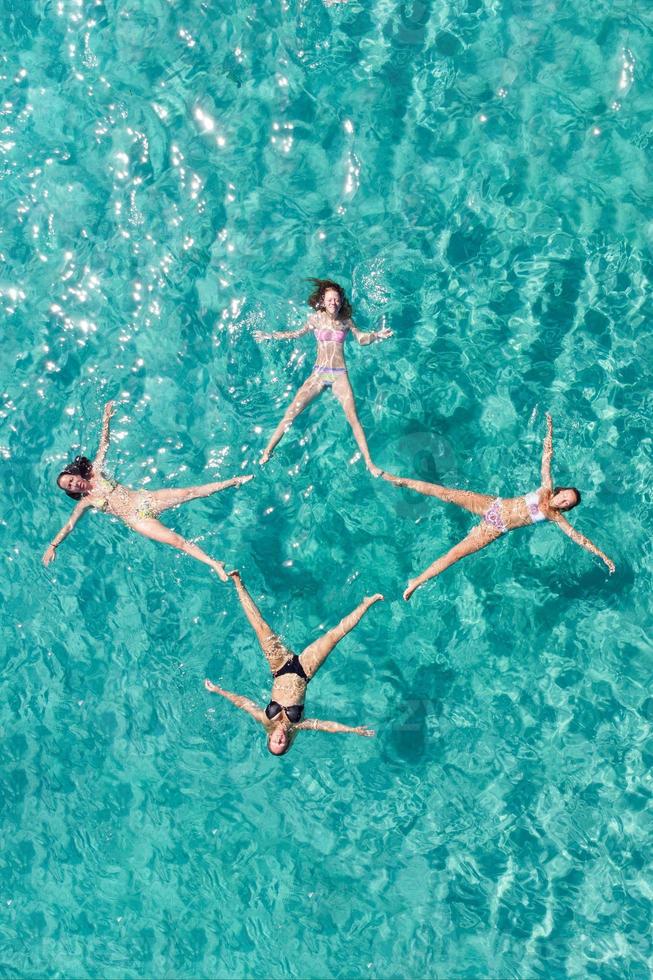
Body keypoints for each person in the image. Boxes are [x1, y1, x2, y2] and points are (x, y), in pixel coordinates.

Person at [382, 413, 616, 599]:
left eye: (568, 503)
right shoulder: (546, 487)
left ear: (565, 508)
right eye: (566, 496)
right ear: (560, 490)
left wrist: (603, 556)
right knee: (445, 493)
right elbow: (547, 458)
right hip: (491, 505)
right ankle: (401, 481)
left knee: (454, 555)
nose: (564, 501)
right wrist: (550, 430)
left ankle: (416, 581)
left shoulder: (555, 517)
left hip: (495, 528)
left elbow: (578, 537)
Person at [43, 400, 252, 579]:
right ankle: (215, 564)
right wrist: (53, 545)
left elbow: (103, 444)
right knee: (177, 541)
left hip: (145, 499)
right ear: (72, 492)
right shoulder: (86, 502)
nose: (73, 484)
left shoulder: (97, 471)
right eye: (69, 486)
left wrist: (106, 420)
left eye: (71, 479)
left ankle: (233, 481)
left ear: (76, 474)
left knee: (191, 492)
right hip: (138, 520)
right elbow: (69, 525)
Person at [205, 571, 383, 755]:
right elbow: (324, 726)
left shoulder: (266, 721)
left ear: (270, 737)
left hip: (279, 667)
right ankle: (366, 602)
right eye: (281, 743)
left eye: (275, 741)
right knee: (334, 635)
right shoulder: (297, 726)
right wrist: (351, 730)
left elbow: (244, 704)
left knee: (260, 627)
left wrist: (219, 691)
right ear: (287, 743)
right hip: (305, 670)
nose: (279, 739)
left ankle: (237, 582)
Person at [253, 278, 392, 475]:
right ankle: (267, 451)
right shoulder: (315, 319)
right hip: (318, 374)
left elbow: (361, 339)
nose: (333, 303)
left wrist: (376, 335)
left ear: (341, 301)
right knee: (292, 412)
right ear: (323, 301)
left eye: (336, 299)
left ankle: (370, 463)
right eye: (329, 300)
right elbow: (295, 334)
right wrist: (271, 336)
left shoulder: (346, 322)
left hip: (339, 376)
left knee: (353, 418)